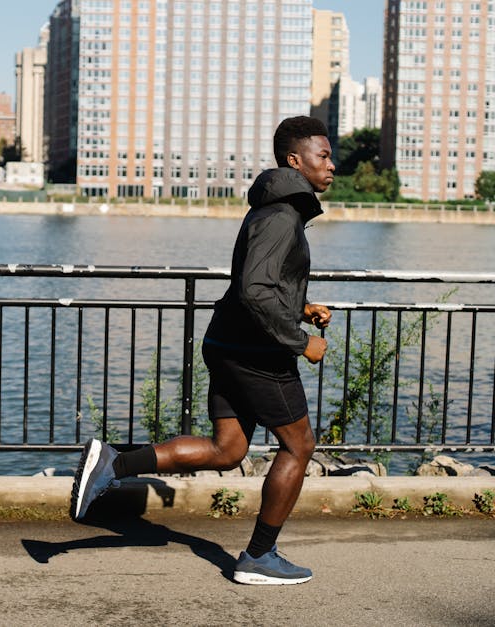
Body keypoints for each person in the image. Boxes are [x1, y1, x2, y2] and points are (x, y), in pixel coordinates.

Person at [69, 116, 335, 586]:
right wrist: (300, 341)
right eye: (324, 155)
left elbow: (264, 286)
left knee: (227, 448)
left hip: (228, 344)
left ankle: (115, 463)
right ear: (296, 160)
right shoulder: (280, 216)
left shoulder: (271, 209)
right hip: (258, 355)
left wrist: (301, 306)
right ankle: (259, 555)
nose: (332, 165)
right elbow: (254, 291)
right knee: (300, 445)